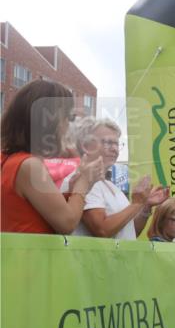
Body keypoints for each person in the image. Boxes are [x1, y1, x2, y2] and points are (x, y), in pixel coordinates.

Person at [1, 81, 104, 234]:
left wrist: (72, 190)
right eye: (67, 118)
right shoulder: (29, 165)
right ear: (48, 122)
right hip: (31, 256)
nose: (67, 126)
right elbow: (67, 223)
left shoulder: (10, 160)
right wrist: (83, 183)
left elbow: (33, 212)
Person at [65, 117, 169, 240]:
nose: (115, 149)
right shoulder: (82, 179)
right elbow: (102, 230)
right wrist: (136, 204)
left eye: (117, 144)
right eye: (108, 143)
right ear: (86, 146)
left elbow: (129, 231)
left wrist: (145, 206)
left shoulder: (110, 186)